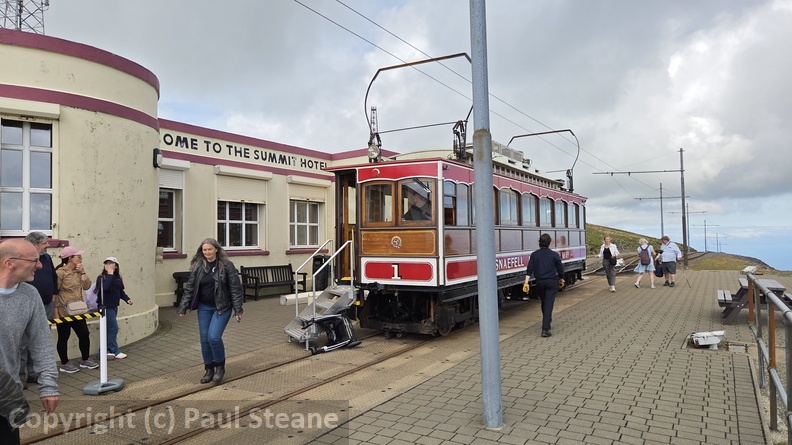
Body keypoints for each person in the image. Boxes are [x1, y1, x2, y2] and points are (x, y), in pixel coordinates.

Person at [0, 239, 59, 444]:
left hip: (6, 398)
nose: (40, 265)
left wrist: (48, 386)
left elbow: (41, 343)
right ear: (10, 263)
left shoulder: (29, 295)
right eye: (34, 260)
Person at [177, 239, 244, 384]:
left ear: (216, 250)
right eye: (204, 250)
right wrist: (183, 306)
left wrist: (238, 308)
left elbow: (235, 288)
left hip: (222, 307)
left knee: (213, 337)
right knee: (204, 339)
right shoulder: (198, 266)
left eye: (209, 249)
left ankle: (220, 367)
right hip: (204, 307)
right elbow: (190, 287)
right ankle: (209, 369)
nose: (207, 252)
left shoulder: (226, 266)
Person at [19, 232, 59, 388]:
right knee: (22, 343)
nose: (48, 245)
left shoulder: (47, 258)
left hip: (46, 305)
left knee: (40, 341)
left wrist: (53, 299)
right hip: (25, 306)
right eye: (45, 243)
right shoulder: (22, 258)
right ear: (34, 244)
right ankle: (20, 377)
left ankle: (34, 374)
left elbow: (54, 278)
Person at [54, 245, 99, 373]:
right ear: (69, 258)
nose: (80, 258)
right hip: (64, 310)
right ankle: (64, 363)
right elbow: (55, 293)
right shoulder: (60, 273)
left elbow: (87, 286)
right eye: (78, 256)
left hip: (78, 309)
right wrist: (56, 312)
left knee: (84, 334)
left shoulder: (78, 272)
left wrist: (83, 272)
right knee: (64, 336)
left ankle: (85, 360)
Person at [523, 234, 565, 338]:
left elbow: (529, 270)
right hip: (551, 282)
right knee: (548, 305)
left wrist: (526, 283)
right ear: (549, 242)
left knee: (544, 303)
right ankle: (545, 329)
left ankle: (547, 321)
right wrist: (562, 279)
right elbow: (560, 269)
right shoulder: (554, 255)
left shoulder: (534, 255)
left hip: (540, 283)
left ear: (539, 242)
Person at [97, 257, 133, 359]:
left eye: (111, 263)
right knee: (113, 328)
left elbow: (120, 291)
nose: (109, 265)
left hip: (114, 306)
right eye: (107, 263)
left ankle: (104, 351)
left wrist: (127, 299)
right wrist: (110, 274)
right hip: (105, 307)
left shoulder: (118, 278)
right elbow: (106, 288)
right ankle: (114, 350)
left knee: (108, 329)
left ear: (116, 266)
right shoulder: (102, 278)